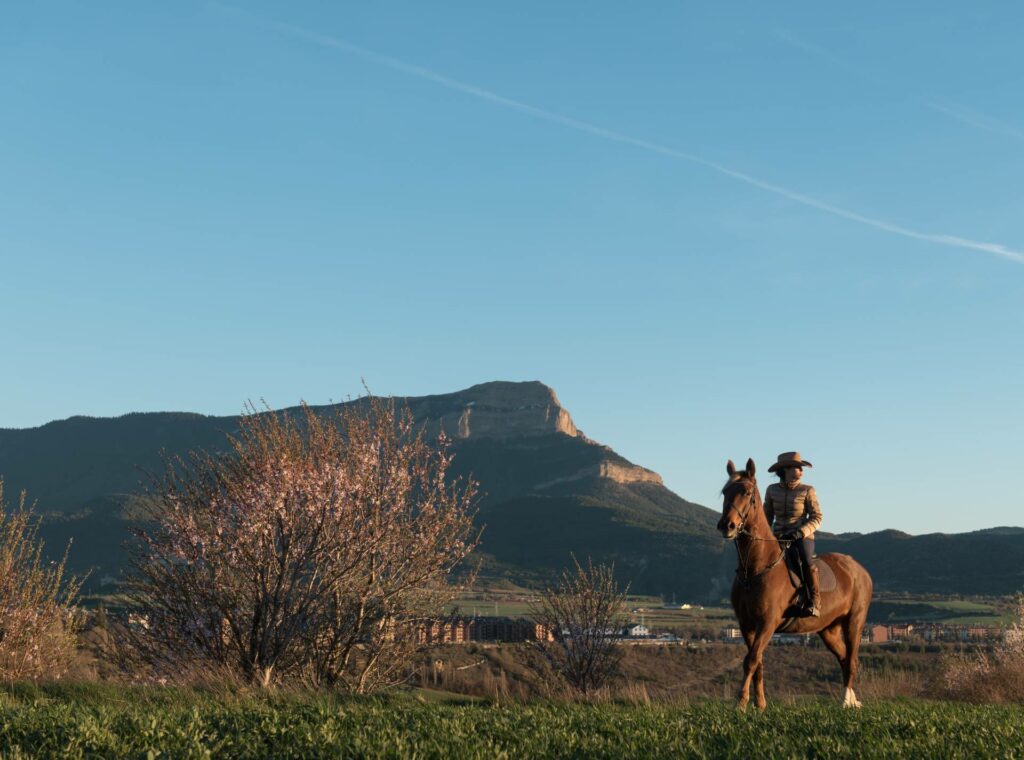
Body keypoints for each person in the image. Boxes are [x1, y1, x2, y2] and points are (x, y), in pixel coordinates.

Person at [764, 452, 822, 617]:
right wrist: (766, 535)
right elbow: (766, 516)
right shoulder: (771, 490)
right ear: (785, 470)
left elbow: (817, 517)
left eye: (801, 468)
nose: (801, 470)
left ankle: (814, 601)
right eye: (797, 467)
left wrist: (801, 532)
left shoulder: (807, 490)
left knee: (806, 560)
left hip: (802, 535)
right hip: (777, 536)